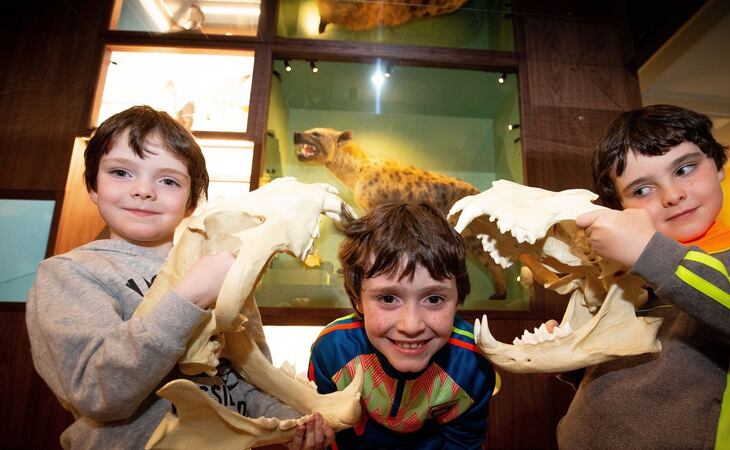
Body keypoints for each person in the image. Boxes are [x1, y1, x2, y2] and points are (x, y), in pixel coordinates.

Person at [26, 105, 332, 449]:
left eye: (168, 180)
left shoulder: (217, 269)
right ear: (93, 185)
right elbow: (99, 392)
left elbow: (243, 376)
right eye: (121, 173)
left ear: (192, 201)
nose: (143, 190)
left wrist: (290, 422)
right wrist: (189, 297)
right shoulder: (69, 274)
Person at [557, 104, 730, 448]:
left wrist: (651, 255)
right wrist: (569, 352)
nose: (673, 196)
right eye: (642, 190)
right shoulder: (618, 270)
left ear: (718, 165)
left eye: (685, 169)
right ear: (620, 206)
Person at [308, 202, 496, 449]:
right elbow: (337, 438)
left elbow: (462, 443)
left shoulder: (472, 362)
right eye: (388, 299)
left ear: (458, 299)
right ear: (358, 300)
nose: (411, 325)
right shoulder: (332, 351)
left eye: (434, 299)